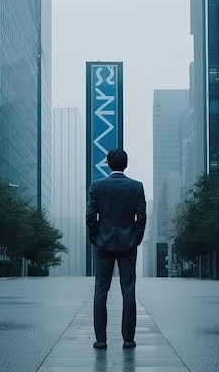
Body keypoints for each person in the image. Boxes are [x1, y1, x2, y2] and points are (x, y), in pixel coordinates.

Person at [86, 148, 147, 350]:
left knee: (100, 290)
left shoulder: (97, 186)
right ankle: (128, 339)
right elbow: (141, 216)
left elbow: (91, 215)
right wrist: (136, 237)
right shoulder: (136, 186)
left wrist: (94, 237)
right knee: (128, 290)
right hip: (128, 243)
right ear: (126, 164)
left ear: (109, 164)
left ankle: (101, 340)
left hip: (103, 243)